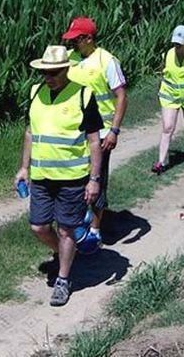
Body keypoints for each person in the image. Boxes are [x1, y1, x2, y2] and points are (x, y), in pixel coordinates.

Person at [14, 45, 102, 307]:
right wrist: (23, 168)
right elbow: (31, 132)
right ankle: (65, 253)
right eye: (45, 72)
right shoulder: (35, 92)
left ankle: (63, 279)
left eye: (53, 72)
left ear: (65, 69)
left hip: (72, 178)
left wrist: (94, 179)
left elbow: (94, 141)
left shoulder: (83, 95)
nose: (48, 77)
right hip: (41, 177)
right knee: (38, 226)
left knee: (66, 229)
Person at [63, 16, 127, 248]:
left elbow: (121, 95)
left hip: (100, 134)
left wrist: (114, 131)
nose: (73, 45)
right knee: (76, 180)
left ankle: (95, 230)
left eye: (77, 40)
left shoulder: (107, 61)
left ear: (89, 38)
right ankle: (79, 221)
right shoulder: (70, 59)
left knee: (96, 179)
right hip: (75, 132)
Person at [153, 25, 184, 173]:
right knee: (168, 127)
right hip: (170, 95)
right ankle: (161, 161)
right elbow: (163, 72)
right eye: (175, 43)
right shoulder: (167, 54)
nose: (177, 46)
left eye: (180, 43)